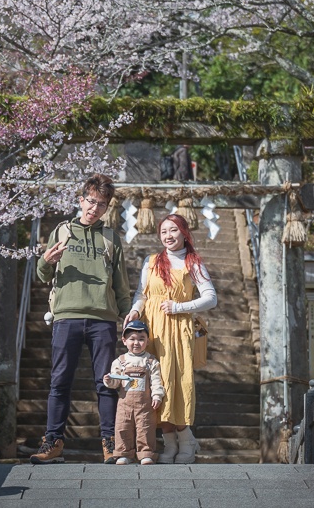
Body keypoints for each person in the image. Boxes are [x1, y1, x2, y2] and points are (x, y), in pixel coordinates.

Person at [30, 174, 132, 464]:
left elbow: (121, 285)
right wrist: (46, 262)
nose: (94, 208)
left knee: (106, 382)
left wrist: (128, 316)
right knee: (59, 381)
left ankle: (110, 443)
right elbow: (42, 275)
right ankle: (53, 441)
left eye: (101, 204)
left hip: (102, 320)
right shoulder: (62, 231)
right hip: (67, 317)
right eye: (90, 201)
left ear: (107, 207)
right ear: (80, 200)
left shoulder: (111, 238)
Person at [123, 213, 217, 463]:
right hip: (152, 328)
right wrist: (135, 311)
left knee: (178, 381)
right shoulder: (151, 260)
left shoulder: (192, 262)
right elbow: (141, 294)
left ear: (184, 232)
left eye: (173, 230)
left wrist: (179, 307)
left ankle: (186, 440)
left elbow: (211, 297)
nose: (168, 236)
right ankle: (169, 442)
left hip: (178, 328)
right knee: (157, 382)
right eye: (164, 231)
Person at [102, 319, 164, 465]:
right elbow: (115, 382)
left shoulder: (151, 362)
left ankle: (146, 453)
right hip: (125, 403)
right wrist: (109, 380)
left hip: (145, 404)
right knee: (123, 427)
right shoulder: (120, 361)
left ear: (147, 341)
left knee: (146, 428)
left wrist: (157, 395)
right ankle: (124, 453)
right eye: (132, 339)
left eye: (141, 339)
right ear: (124, 341)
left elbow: (156, 381)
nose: (136, 343)